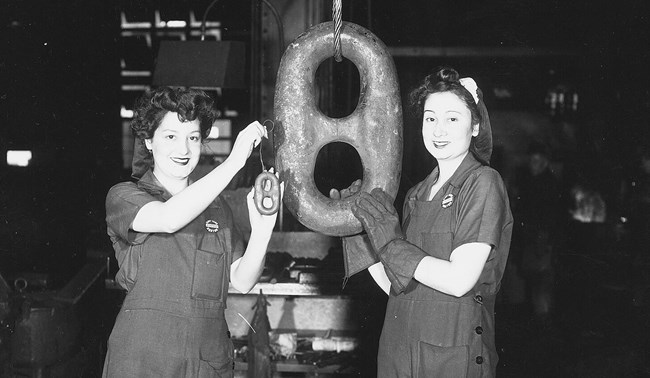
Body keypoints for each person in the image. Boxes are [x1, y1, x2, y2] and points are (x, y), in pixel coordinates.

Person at [331, 67, 513, 377]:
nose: (438, 131)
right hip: (400, 352)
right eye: (431, 118)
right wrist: (360, 231)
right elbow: (397, 284)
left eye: (452, 118)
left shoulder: (482, 183)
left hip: (451, 358)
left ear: (474, 126)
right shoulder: (417, 193)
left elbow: (459, 281)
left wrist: (390, 243)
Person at [102, 87, 280, 377]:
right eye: (170, 136)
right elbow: (169, 218)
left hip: (206, 361)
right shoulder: (125, 196)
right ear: (149, 141)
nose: (183, 150)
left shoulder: (217, 207)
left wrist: (262, 231)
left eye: (193, 138)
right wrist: (234, 161)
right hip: (143, 358)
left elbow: (243, 280)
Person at [510, 140, 563, 327]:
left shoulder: (549, 184)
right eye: (532, 160)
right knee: (533, 278)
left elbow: (551, 215)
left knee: (542, 280)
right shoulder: (529, 182)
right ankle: (537, 317)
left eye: (538, 161)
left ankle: (543, 320)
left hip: (542, 238)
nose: (534, 164)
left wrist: (544, 237)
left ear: (545, 162)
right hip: (529, 238)